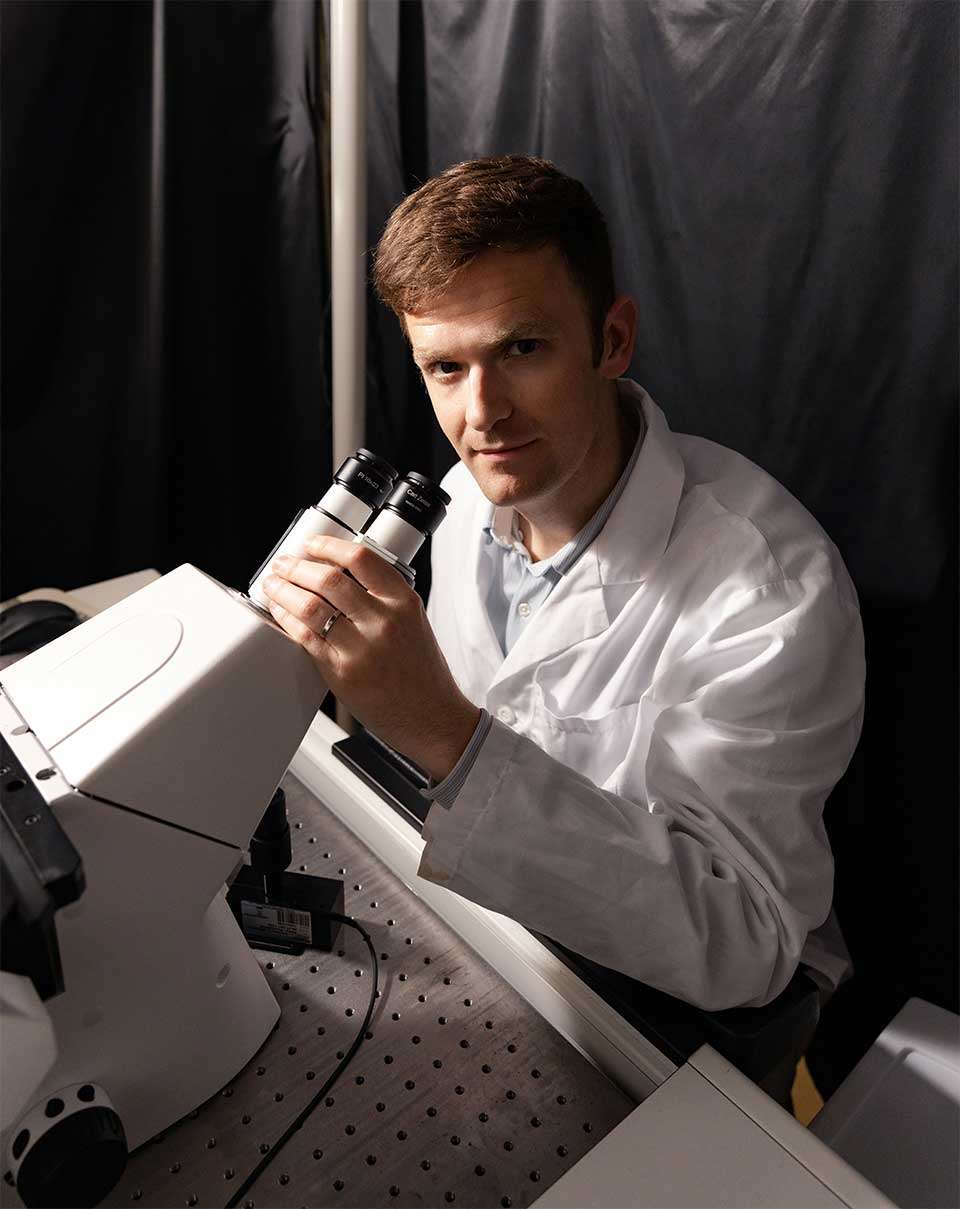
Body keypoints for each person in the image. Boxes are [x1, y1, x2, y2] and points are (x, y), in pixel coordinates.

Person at [263, 156, 865, 1012]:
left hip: (678, 1017)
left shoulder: (770, 588)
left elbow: (746, 939)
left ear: (612, 339)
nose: (482, 413)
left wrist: (444, 734)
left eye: (521, 349)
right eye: (445, 368)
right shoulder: (467, 499)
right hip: (504, 939)